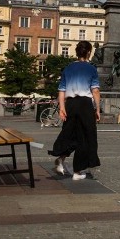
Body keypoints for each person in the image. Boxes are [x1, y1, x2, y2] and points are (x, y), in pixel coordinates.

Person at [49, 40, 101, 180]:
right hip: (85, 104)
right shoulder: (91, 69)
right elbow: (95, 91)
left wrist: (62, 108)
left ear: (77, 52)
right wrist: (97, 109)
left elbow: (61, 90)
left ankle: (61, 158)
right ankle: (78, 171)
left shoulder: (68, 68)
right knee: (86, 136)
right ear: (89, 52)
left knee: (69, 132)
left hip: (70, 103)